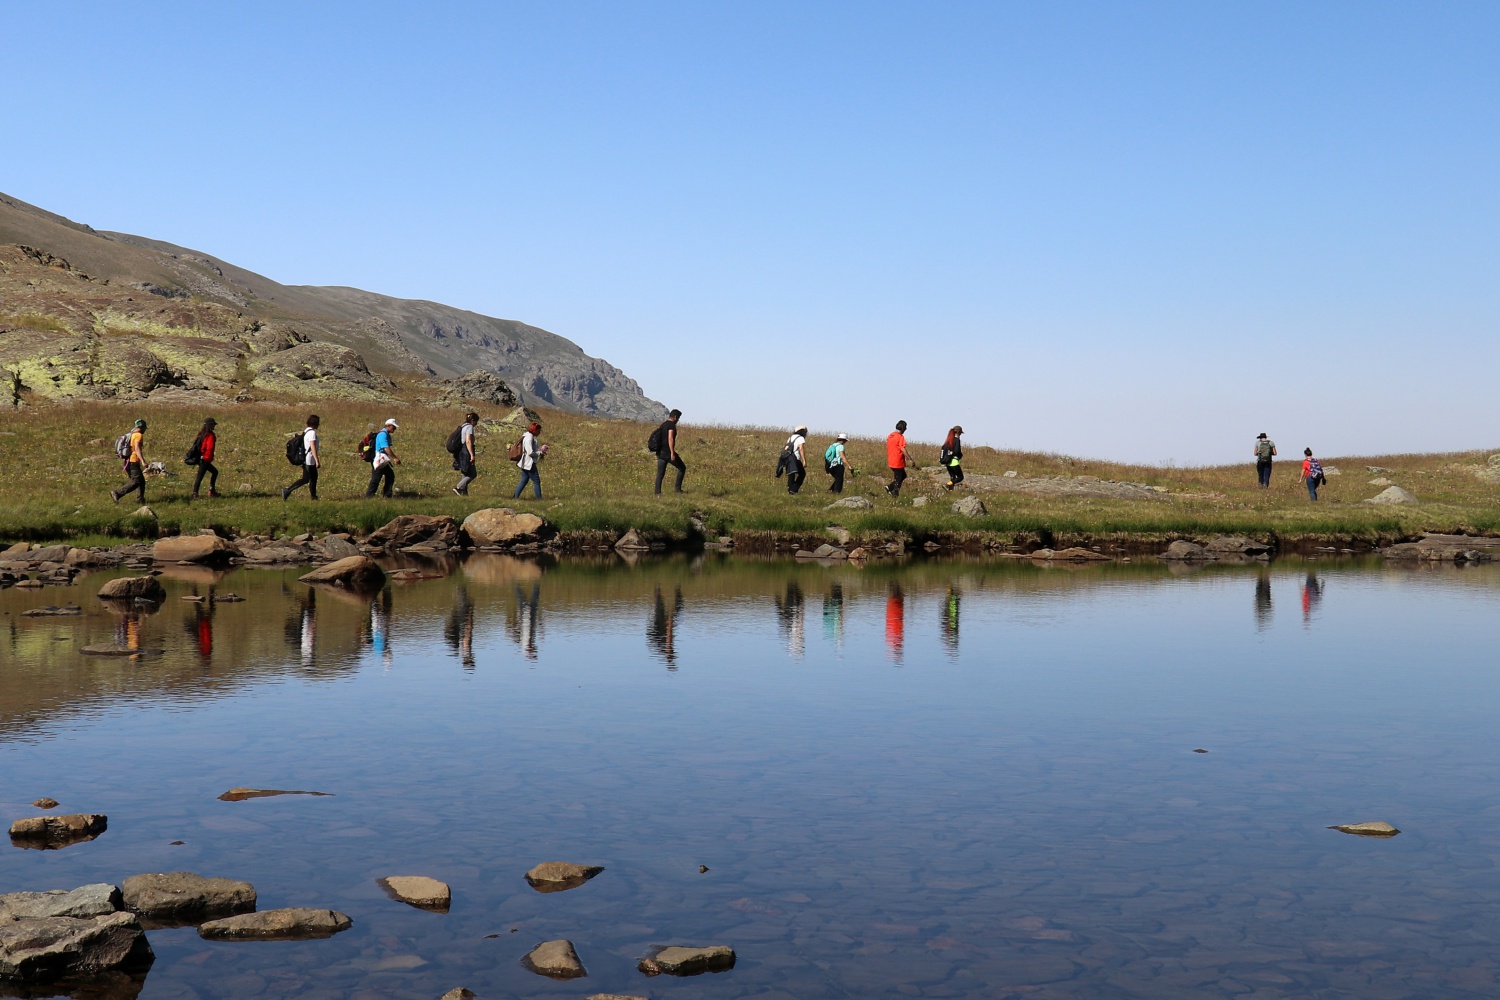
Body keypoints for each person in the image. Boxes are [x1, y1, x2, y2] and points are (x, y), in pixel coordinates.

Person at [281, 415, 321, 500]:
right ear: (315, 423)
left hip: (306, 458)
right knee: (307, 479)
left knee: (312, 478)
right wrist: (317, 461)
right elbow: (312, 447)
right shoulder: (312, 433)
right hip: (310, 460)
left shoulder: (306, 431)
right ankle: (287, 491)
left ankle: (314, 497)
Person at [110, 418, 148, 504]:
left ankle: (140, 500)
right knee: (136, 481)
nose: (145, 430)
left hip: (129, 461)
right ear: (142, 427)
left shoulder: (131, 434)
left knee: (141, 481)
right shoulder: (138, 435)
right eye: (145, 428)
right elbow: (137, 449)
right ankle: (117, 493)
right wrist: (143, 461)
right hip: (133, 461)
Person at [365, 418, 401, 498]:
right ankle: (371, 496)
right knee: (377, 477)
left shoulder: (385, 434)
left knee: (388, 475)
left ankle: (383, 495)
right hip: (379, 459)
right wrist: (395, 458)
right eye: (393, 427)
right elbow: (386, 448)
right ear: (388, 426)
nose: (394, 429)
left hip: (381, 459)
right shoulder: (383, 435)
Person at [654, 409, 686, 495]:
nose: (678, 420)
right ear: (675, 417)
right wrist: (672, 452)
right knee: (682, 468)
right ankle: (678, 489)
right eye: (678, 418)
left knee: (660, 473)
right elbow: (670, 438)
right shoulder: (671, 425)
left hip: (660, 452)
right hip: (667, 452)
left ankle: (657, 493)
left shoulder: (663, 424)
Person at [190, 417, 220, 499]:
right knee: (200, 477)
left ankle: (211, 491)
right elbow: (209, 448)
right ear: (210, 425)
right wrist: (206, 456)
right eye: (213, 424)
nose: (214, 426)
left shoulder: (202, 433)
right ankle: (195, 494)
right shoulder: (210, 435)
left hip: (202, 458)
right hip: (205, 459)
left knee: (214, 472)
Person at [513, 421, 544, 499]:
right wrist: (540, 453)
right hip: (529, 463)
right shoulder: (529, 438)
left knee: (524, 480)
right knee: (536, 481)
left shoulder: (528, 436)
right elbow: (530, 452)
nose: (539, 432)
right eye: (539, 430)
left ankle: (515, 497)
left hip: (525, 462)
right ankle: (539, 499)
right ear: (535, 430)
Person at [453, 411, 480, 495]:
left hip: (461, 451)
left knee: (465, 472)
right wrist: (472, 455)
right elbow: (468, 441)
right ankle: (459, 487)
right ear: (473, 420)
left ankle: (464, 493)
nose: (476, 424)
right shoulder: (469, 427)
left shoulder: (463, 426)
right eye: (476, 421)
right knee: (473, 474)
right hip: (466, 452)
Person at [885, 420, 910, 496]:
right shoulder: (900, 437)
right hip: (898, 461)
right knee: (898, 479)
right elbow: (902, 449)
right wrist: (910, 459)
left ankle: (890, 488)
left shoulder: (890, 435)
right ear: (902, 428)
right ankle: (893, 493)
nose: (905, 430)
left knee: (902, 476)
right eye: (905, 428)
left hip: (891, 460)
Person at [784, 425, 808, 494]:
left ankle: (790, 490)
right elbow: (801, 449)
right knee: (802, 474)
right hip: (795, 458)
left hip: (788, 458)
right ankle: (794, 489)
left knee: (791, 474)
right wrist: (804, 461)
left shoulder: (790, 438)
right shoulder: (800, 438)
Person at [940, 425, 965, 490]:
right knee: (960, 477)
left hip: (948, 462)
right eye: (960, 433)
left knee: (953, 478)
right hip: (954, 462)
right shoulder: (957, 440)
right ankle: (947, 485)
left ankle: (950, 490)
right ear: (958, 432)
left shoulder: (948, 440)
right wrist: (960, 455)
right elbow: (957, 451)